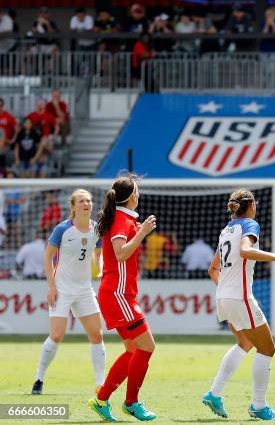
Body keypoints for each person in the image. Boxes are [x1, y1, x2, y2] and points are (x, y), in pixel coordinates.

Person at [201, 189, 275, 420]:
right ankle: (258, 407)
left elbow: (213, 269)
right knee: (267, 348)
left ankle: (214, 393)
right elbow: (245, 250)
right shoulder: (250, 224)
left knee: (244, 342)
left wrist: (227, 290)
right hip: (239, 297)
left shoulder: (225, 231)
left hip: (224, 296)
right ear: (250, 205)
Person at [88, 175, 157, 421]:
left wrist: (140, 230)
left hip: (119, 293)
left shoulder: (124, 218)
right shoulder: (121, 219)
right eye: (137, 191)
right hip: (118, 294)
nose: (139, 195)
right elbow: (120, 254)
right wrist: (143, 232)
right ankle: (131, 402)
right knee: (147, 346)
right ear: (132, 197)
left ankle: (102, 398)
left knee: (132, 350)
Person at [31, 190, 105, 396]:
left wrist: (100, 268)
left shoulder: (96, 229)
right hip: (62, 289)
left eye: (89, 201)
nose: (86, 204)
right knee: (57, 334)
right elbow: (48, 258)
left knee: (97, 335)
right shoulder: (62, 229)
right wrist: (51, 286)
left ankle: (101, 384)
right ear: (73, 206)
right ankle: (39, 378)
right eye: (82, 201)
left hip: (84, 290)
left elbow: (98, 254)